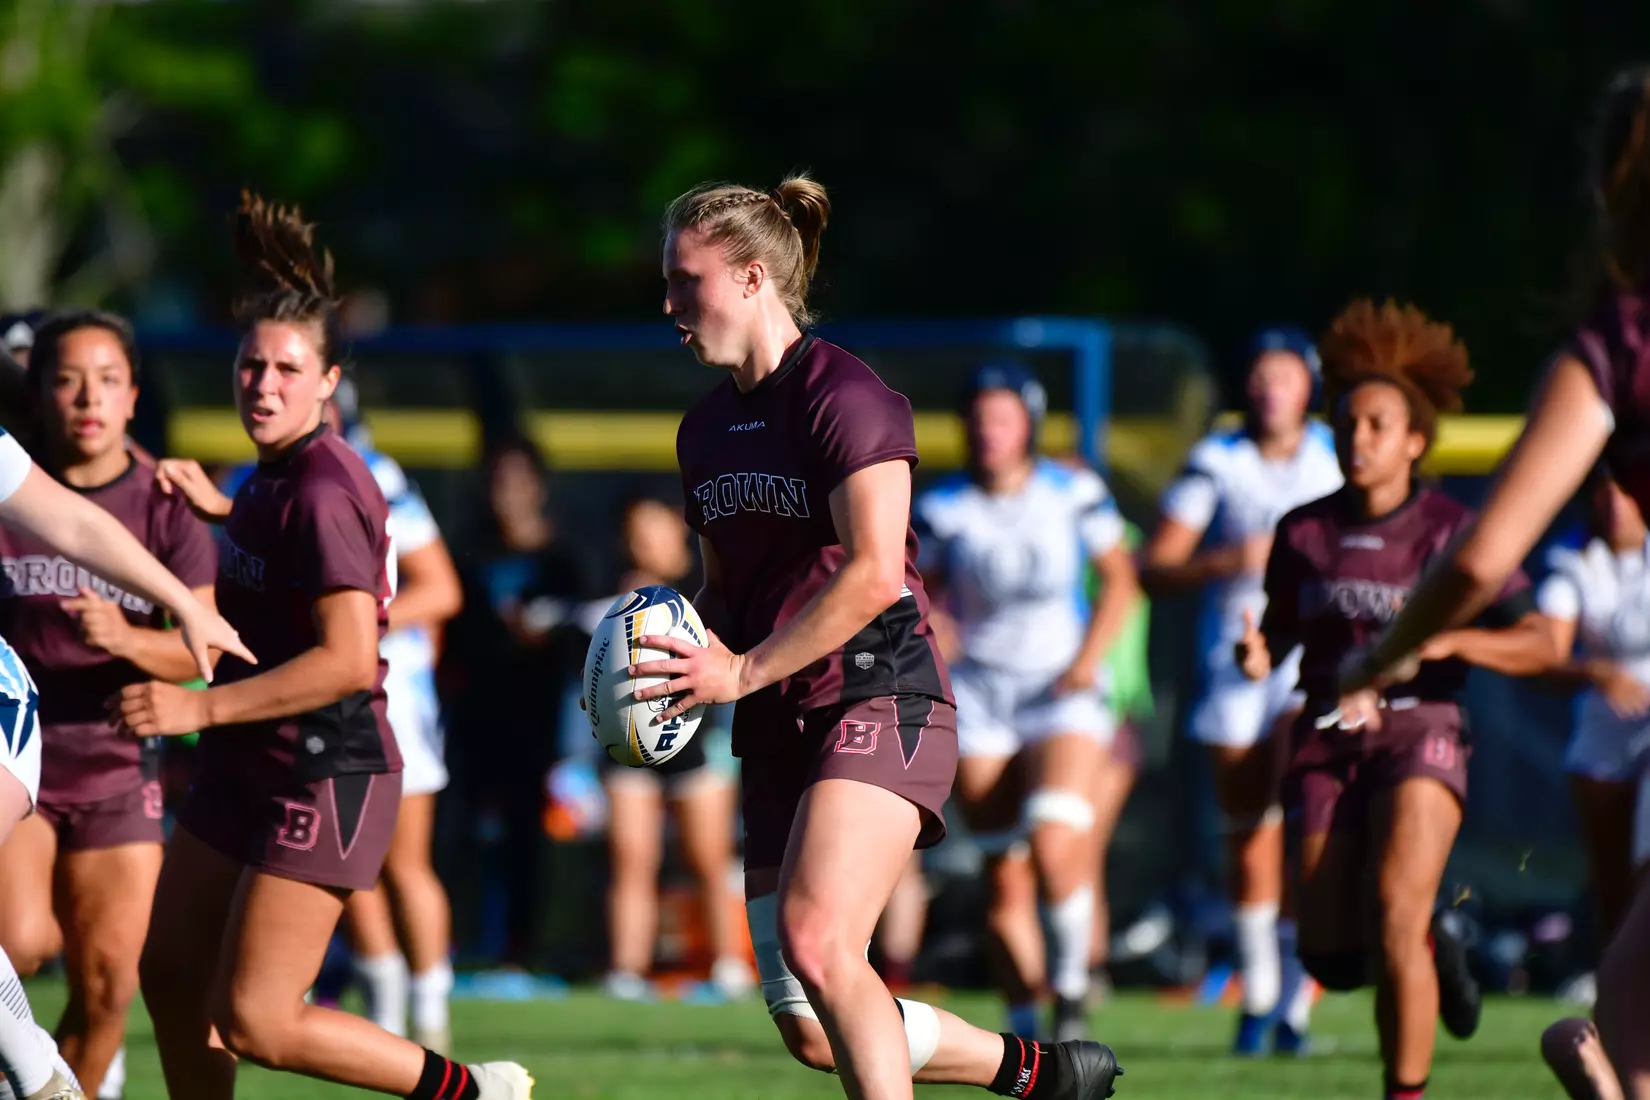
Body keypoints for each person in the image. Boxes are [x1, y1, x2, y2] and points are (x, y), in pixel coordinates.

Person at [632, 174, 1120, 1100]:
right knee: (812, 1027)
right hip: (776, 717)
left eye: (681, 280)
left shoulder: (845, 395)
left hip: (880, 693)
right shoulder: (704, 431)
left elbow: (874, 572)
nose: (668, 303)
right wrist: (663, 662)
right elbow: (726, 593)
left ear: (747, 278)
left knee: (820, 943)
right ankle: (1036, 1075)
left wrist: (739, 670)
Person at [118, 191, 531, 1100]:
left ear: (329, 381)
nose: (262, 384)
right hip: (246, 761)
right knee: (172, 975)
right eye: (250, 364)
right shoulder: (267, 478)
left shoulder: (321, 485)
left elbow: (348, 658)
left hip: (322, 771)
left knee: (259, 1020)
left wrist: (200, 704)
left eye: (287, 370)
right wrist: (225, 514)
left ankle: (472, 1091)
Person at [1328, 68, 1650, 1100]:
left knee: (1621, 1029)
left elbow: (1478, 564)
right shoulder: (1307, 530)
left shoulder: (1620, 343)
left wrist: (1391, 652)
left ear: (1609, 189)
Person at [1237, 298, 1557, 1100]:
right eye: (1346, 423)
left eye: (1378, 425)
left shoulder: (1453, 532)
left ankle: (1404, 1088)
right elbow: (1277, 630)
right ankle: (1444, 932)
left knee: (1395, 916)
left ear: (1416, 441)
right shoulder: (1302, 531)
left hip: (1422, 732)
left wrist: (1452, 642)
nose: (1358, 439)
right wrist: (1258, 651)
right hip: (1324, 735)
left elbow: (1545, 641)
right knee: (1331, 956)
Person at [0, 367, 248, 1100]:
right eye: (67, 379)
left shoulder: (156, 501)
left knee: (114, 971)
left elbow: (74, 523)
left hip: (35, 724)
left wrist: (183, 608)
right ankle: (35, 1072)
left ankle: (45, 1074)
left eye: (106, 379)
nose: (86, 396)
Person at [216, 379, 464, 1049]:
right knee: (349, 866)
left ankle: (431, 1007)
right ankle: (382, 998)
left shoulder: (367, 473)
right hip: (292, 701)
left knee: (405, 861)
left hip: (383, 693)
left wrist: (353, 629)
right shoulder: (249, 477)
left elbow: (440, 588)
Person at [913, 364, 1140, 1043]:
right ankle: (1019, 1025)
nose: (989, 432)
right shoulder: (942, 506)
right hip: (981, 694)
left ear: (1030, 427)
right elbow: (911, 593)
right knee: (1004, 872)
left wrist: (1086, 661)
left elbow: (1122, 584)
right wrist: (936, 629)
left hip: (1060, 691)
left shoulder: (1073, 493)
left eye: (1003, 418)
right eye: (978, 419)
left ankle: (1070, 995)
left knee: (1054, 832)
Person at [1140, 327, 1342, 1054]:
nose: (1269, 387)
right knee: (1248, 834)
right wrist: (1231, 558)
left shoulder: (1333, 455)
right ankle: (1259, 1000)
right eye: (1259, 374)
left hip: (1310, 659)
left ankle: (1294, 1003)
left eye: (1283, 373)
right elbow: (1156, 566)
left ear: (1307, 383)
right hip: (1233, 661)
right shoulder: (1217, 461)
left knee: (1303, 818)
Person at [575, 495, 751, 1002]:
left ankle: (726, 965)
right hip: (629, 744)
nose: (645, 539)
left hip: (697, 738)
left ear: (678, 532)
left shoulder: (706, 588)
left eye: (654, 527)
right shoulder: (609, 596)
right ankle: (627, 970)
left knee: (709, 856)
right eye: (636, 529)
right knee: (631, 858)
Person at [443, 433, 590, 968]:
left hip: (536, 719)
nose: (508, 493)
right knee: (453, 833)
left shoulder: (563, 560)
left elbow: (589, 637)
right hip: (472, 718)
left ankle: (519, 951)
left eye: (519, 481)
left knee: (525, 837)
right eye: (498, 481)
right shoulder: (466, 551)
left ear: (540, 487)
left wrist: (546, 635)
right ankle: (450, 946)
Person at [1537, 466, 1650, 967]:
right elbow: (1547, 651)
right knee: (1614, 884)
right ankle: (1619, 994)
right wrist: (1599, 672)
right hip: (1604, 735)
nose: (1615, 501)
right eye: (1603, 489)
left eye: (1626, 487)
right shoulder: (1572, 559)